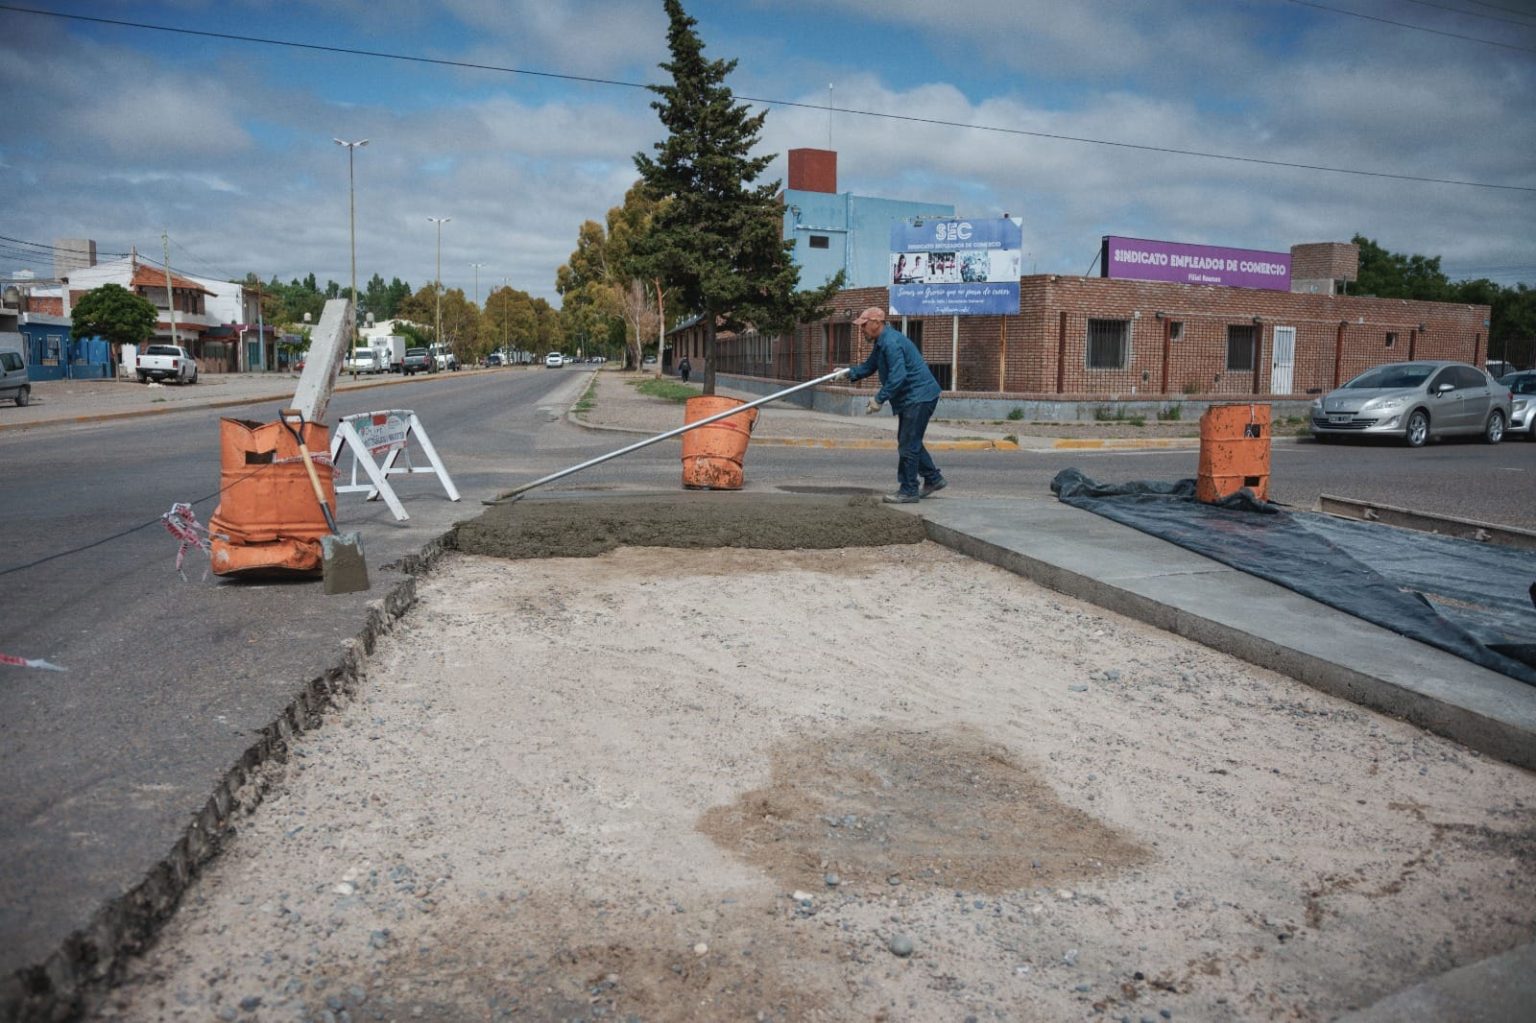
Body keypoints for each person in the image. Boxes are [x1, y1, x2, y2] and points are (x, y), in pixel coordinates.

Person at [845, 306, 945, 504]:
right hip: (913, 397)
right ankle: (933, 478)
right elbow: (869, 366)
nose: (862, 329)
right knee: (910, 441)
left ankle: (908, 490)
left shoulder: (890, 342)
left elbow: (898, 376)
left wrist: (879, 399)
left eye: (864, 325)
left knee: (908, 444)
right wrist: (848, 372)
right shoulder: (881, 342)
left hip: (918, 397)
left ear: (876, 323)